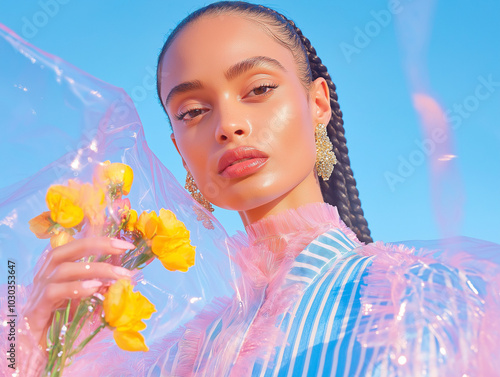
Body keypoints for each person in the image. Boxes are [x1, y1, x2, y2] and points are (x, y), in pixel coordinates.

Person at [2, 1, 500, 376]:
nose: (229, 125)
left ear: (318, 104)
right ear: (179, 148)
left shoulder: (440, 294)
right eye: (193, 111)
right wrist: (32, 342)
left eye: (259, 89)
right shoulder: (168, 357)